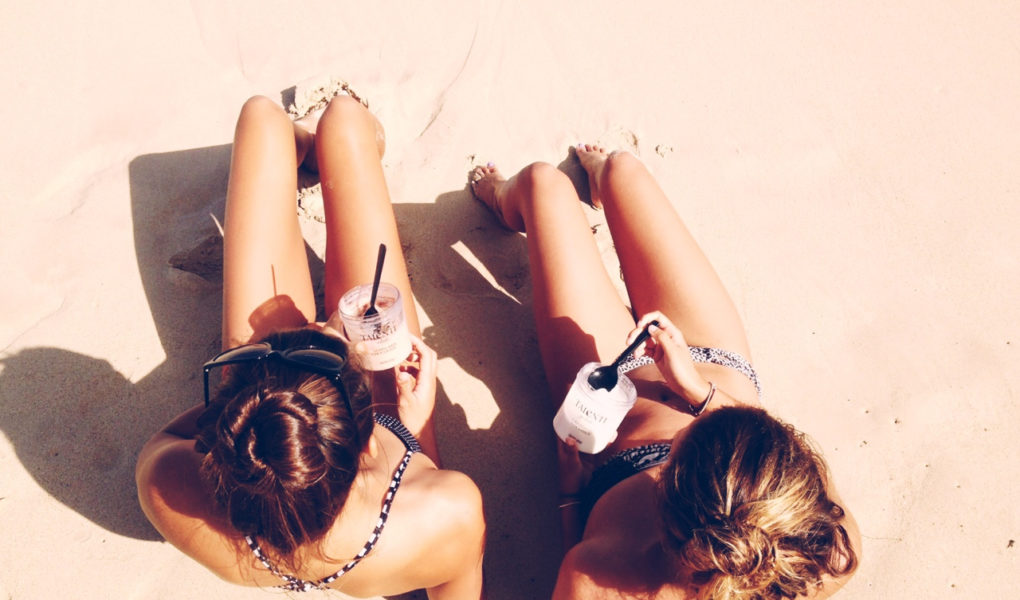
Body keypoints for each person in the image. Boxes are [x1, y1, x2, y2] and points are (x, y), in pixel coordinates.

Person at [469, 145, 860, 600]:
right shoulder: (827, 554)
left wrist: (571, 494)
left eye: (678, 444)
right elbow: (796, 462)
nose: (686, 416)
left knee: (544, 183)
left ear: (665, 500)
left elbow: (575, 554)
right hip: (715, 362)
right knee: (622, 169)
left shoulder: (601, 578)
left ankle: (503, 200)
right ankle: (601, 178)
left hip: (613, 394)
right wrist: (696, 389)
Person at [136, 93, 486, 598]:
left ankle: (305, 144)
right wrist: (403, 432)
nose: (322, 326)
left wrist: (250, 403)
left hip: (307, 441)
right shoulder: (448, 515)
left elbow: (165, 441)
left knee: (261, 119)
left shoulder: (169, 490)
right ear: (366, 440)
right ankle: (342, 141)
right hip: (388, 493)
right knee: (345, 120)